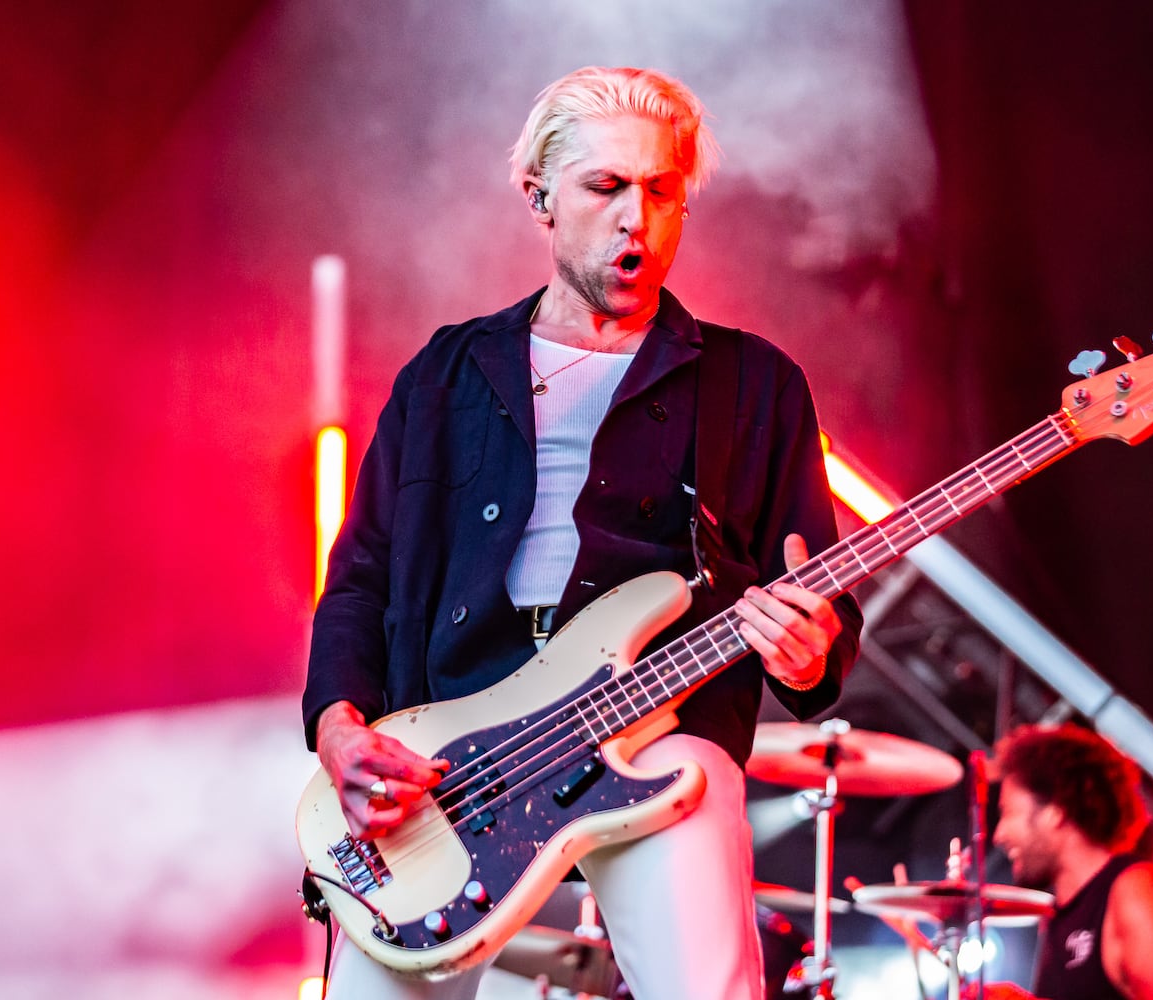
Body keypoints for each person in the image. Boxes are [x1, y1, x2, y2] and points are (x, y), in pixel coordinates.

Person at [301, 65, 863, 1000]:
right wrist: (338, 728)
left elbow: (814, 586)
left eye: (661, 189)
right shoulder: (444, 375)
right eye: (605, 187)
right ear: (542, 199)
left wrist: (809, 655)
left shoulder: (755, 383)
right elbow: (361, 580)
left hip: (655, 728)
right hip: (453, 744)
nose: (635, 216)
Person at [974, 724, 1153, 1000]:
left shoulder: (1135, 891)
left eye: (1009, 813)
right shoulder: (1060, 918)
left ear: (1055, 812)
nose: (999, 834)